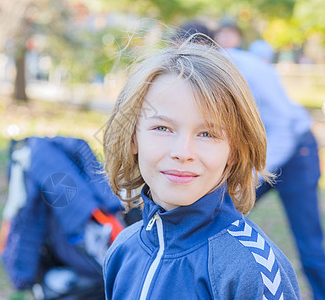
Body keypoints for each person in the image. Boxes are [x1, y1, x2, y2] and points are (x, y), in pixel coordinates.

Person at [102, 34, 300, 299]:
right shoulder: (123, 250)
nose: (183, 153)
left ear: (233, 151)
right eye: (162, 128)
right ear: (133, 137)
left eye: (207, 134)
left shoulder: (252, 270)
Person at [214, 24, 325, 300]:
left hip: (296, 153)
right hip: (262, 157)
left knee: (309, 244)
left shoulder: (249, 69)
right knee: (216, 217)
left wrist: (255, 174)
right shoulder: (207, 76)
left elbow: (284, 126)